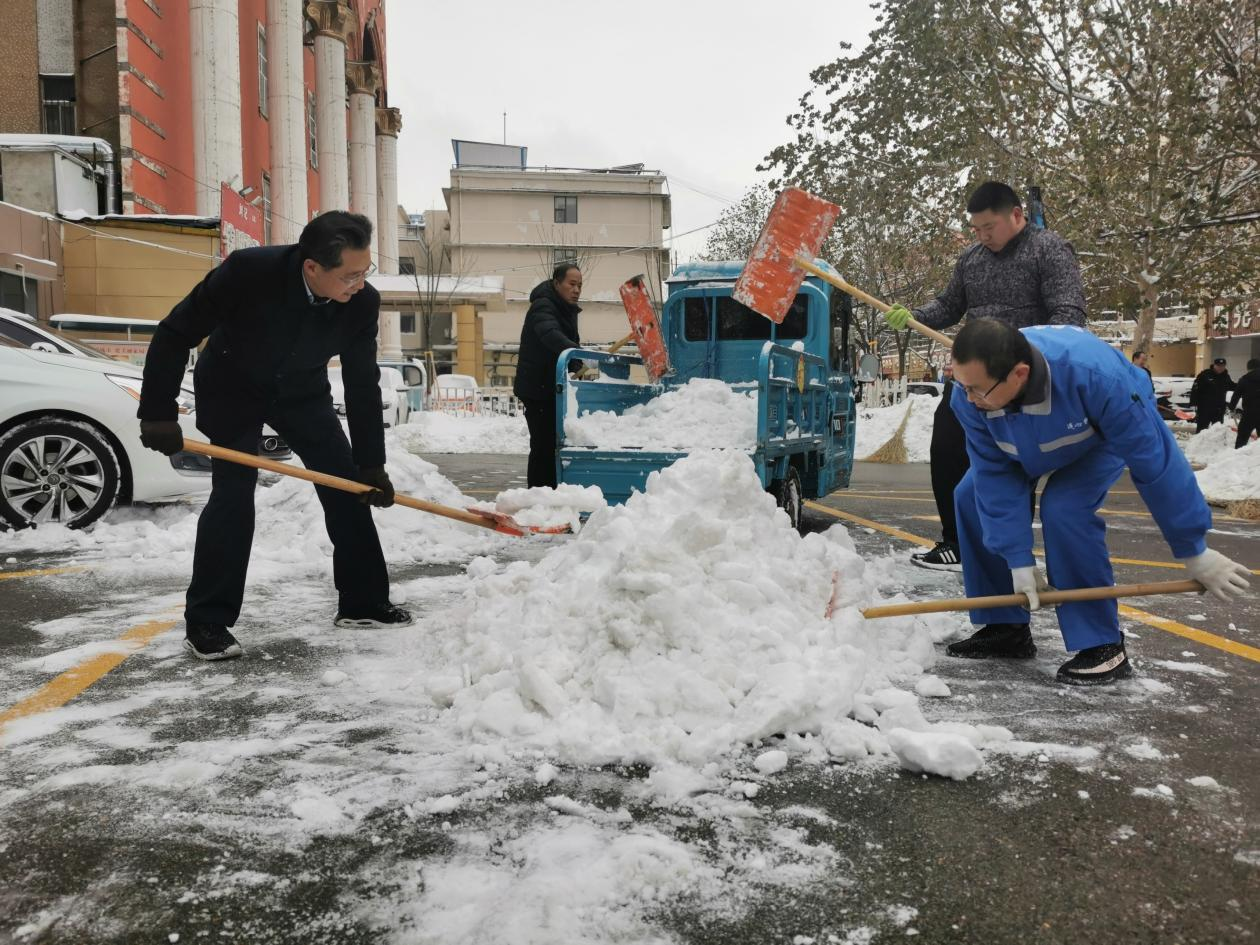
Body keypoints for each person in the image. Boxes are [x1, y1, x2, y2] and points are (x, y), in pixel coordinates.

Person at [137, 211, 412, 661]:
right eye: (350, 275)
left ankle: (364, 603)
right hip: (232, 388)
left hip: (301, 392)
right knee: (233, 494)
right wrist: (158, 413)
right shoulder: (249, 272)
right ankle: (208, 621)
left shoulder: (362, 303)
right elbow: (175, 332)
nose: (359, 284)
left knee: (347, 485)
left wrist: (371, 464)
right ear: (312, 268)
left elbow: (363, 383)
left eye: (366, 272)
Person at [945, 319, 1250, 685]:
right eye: (963, 387)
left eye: (976, 390)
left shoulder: (1099, 379)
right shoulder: (970, 398)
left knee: (1064, 509)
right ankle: (1004, 625)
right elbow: (994, 474)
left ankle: (1102, 644)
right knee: (970, 495)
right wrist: (1017, 560)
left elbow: (1157, 465)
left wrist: (1193, 549)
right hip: (1018, 440)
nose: (967, 399)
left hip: (1093, 440)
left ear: (1020, 373)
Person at [883, 181, 1087, 571]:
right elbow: (949, 304)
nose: (982, 236)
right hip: (971, 376)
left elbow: (1068, 315)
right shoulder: (971, 259)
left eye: (988, 227)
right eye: (975, 229)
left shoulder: (1049, 249)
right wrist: (913, 316)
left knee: (1011, 466)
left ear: (1016, 214)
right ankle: (954, 542)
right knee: (946, 451)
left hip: (1019, 381)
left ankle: (1007, 553)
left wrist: (1025, 356)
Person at [513, 263, 583, 488]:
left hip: (552, 388)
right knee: (543, 446)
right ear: (556, 283)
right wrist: (576, 355)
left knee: (553, 444)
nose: (576, 290)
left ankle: (551, 491)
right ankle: (538, 494)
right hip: (537, 389)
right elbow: (550, 334)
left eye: (580, 285)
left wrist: (577, 360)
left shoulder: (565, 308)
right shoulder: (543, 306)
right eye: (572, 284)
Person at [1190, 357, 1235, 432]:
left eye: (1223, 366)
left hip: (1219, 408)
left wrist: (1243, 385)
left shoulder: (1226, 376)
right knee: (1202, 428)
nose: (1220, 368)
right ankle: (1199, 443)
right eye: (1218, 366)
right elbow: (1195, 390)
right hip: (1204, 408)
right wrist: (1193, 403)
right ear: (1214, 365)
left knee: (1217, 430)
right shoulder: (1205, 375)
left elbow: (1232, 386)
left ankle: (1215, 443)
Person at [1229, 358, 1260, 449]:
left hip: (1249, 413)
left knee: (1242, 437)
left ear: (1249, 368)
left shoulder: (1244, 379)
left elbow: (1236, 395)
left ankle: (1238, 454)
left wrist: (1231, 407)